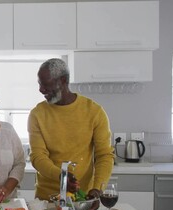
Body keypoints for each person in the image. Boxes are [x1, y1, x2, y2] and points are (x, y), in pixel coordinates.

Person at [28, 58, 114, 202]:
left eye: (46, 84)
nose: (41, 90)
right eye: (39, 84)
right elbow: (37, 157)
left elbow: (104, 155)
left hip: (83, 197)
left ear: (63, 81)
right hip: (46, 199)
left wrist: (97, 190)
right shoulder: (37, 114)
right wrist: (62, 176)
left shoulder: (94, 112)